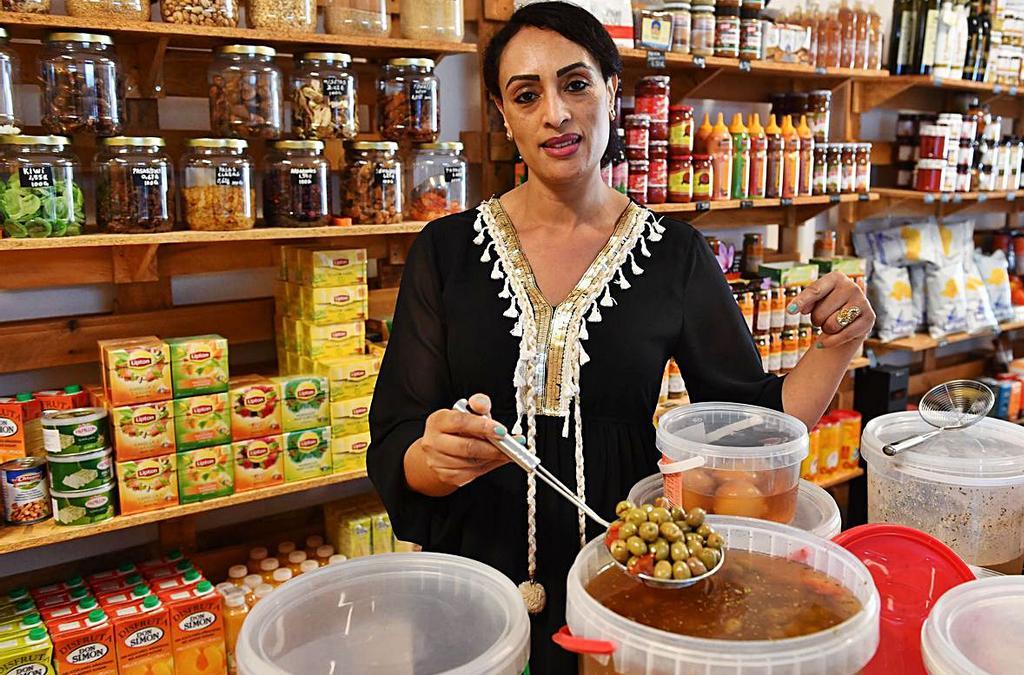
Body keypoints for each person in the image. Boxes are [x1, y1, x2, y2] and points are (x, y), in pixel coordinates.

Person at [367, 2, 875, 672]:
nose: (555, 113)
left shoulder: (674, 254)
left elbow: (755, 428)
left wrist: (836, 345)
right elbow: (397, 440)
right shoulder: (446, 251)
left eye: (575, 84)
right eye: (527, 94)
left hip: (628, 579)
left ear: (613, 89)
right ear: (502, 113)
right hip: (476, 585)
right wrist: (436, 457)